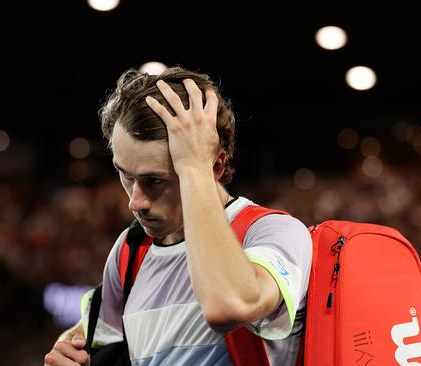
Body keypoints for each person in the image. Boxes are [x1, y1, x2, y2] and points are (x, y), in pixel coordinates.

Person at [44, 66, 312, 365]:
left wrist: (195, 166)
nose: (135, 202)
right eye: (126, 175)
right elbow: (92, 334)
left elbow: (227, 305)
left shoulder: (274, 232)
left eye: (154, 181)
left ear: (216, 166)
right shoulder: (130, 249)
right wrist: (68, 345)